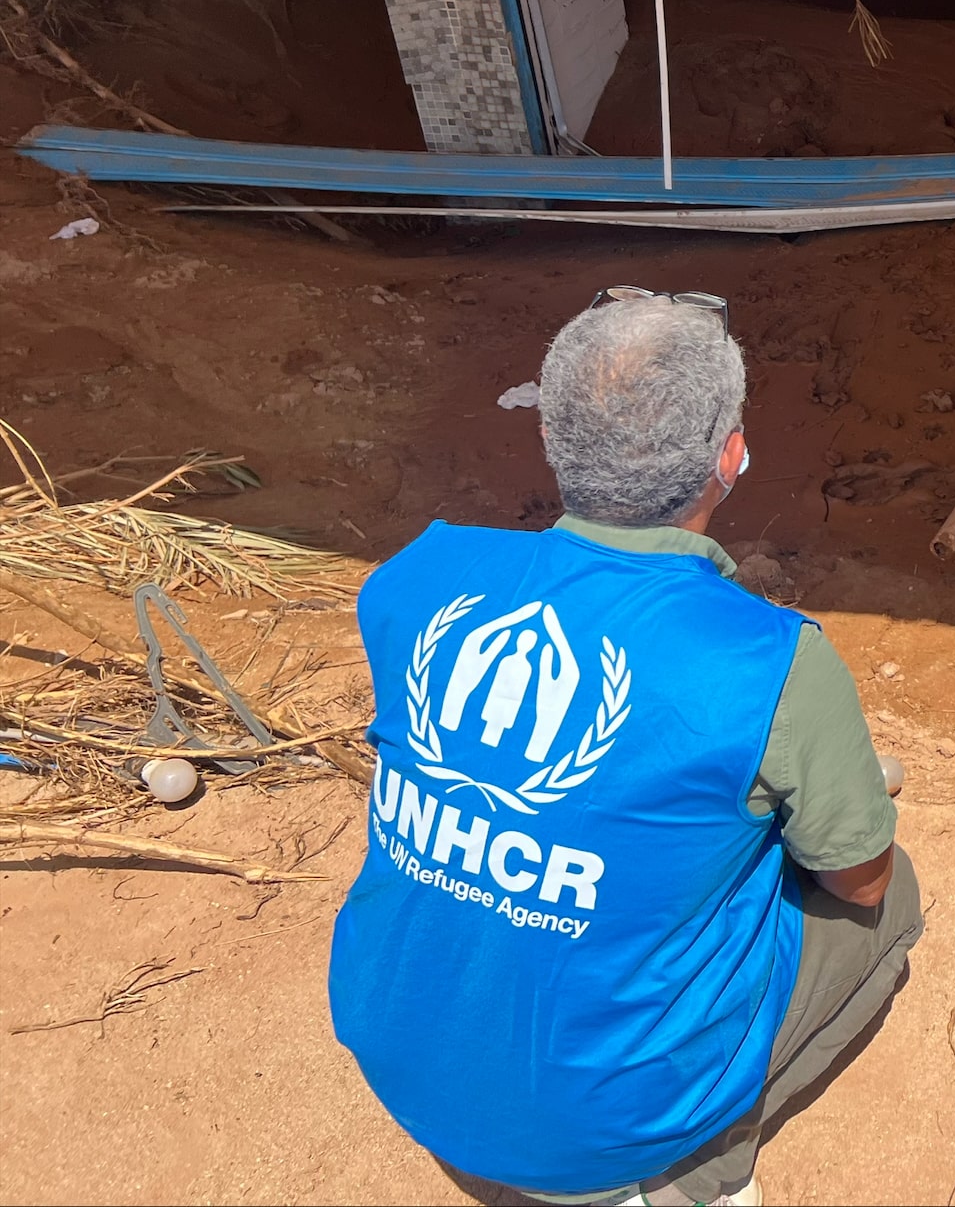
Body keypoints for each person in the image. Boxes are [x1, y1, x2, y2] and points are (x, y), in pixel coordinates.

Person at [329, 288, 919, 1206]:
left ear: (552, 438)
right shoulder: (771, 662)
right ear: (730, 458)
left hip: (398, 1053)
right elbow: (861, 880)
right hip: (593, 1137)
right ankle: (693, 1174)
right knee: (892, 891)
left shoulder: (418, 577)